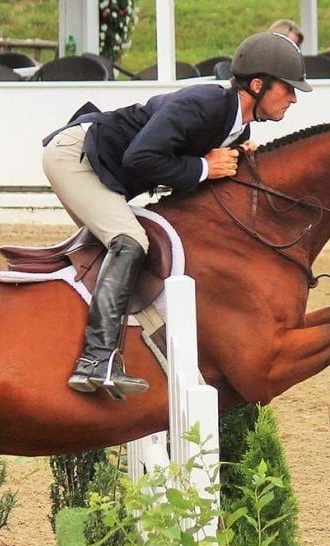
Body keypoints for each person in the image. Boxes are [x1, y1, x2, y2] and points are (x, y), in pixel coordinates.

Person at [42, 32, 311, 400]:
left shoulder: (236, 126)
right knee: (130, 241)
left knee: (137, 248)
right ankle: (96, 359)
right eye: (289, 89)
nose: (294, 98)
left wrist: (224, 158)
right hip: (78, 158)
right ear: (259, 85)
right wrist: (204, 165)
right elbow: (140, 157)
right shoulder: (203, 103)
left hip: (107, 169)